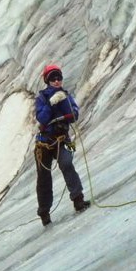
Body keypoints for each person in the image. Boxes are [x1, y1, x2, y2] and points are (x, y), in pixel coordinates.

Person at [33, 63, 89, 224]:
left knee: (66, 164)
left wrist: (62, 101)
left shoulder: (65, 95)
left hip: (60, 139)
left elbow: (73, 115)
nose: (57, 81)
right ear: (47, 81)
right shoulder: (42, 98)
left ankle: (78, 199)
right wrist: (51, 104)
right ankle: (44, 212)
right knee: (43, 177)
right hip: (45, 142)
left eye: (59, 78)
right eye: (53, 79)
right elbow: (42, 118)